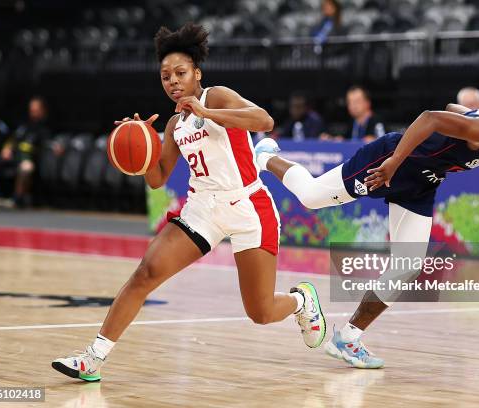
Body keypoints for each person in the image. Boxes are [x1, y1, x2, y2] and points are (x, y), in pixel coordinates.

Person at [52, 23, 326, 382]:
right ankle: (92, 359)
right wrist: (143, 144)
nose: (172, 81)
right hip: (202, 210)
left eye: (180, 73)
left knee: (259, 312)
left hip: (248, 208)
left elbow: (265, 120)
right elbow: (157, 178)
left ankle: (302, 301)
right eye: (165, 76)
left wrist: (206, 113)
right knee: (144, 275)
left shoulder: (216, 97)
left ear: (197, 73)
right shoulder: (174, 123)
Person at [254, 95, 479, 368]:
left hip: (421, 183)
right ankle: (266, 157)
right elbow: (430, 117)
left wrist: (464, 117)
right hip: (391, 162)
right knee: (311, 196)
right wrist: (393, 161)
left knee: (407, 267)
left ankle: (347, 338)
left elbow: (455, 109)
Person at [5, 96, 52, 208]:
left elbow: (47, 145)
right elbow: (13, 138)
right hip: (16, 157)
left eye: (36, 110)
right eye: (31, 110)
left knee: (26, 167)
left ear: (43, 111)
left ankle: (18, 198)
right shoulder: (24, 125)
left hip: (34, 160)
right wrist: (7, 148)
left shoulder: (46, 128)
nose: (33, 113)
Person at [321, 86, 386, 143]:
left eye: (357, 101)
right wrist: (333, 140)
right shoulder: (351, 122)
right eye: (350, 102)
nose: (353, 106)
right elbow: (346, 141)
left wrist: (372, 141)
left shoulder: (377, 122)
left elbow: (384, 144)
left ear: (367, 103)